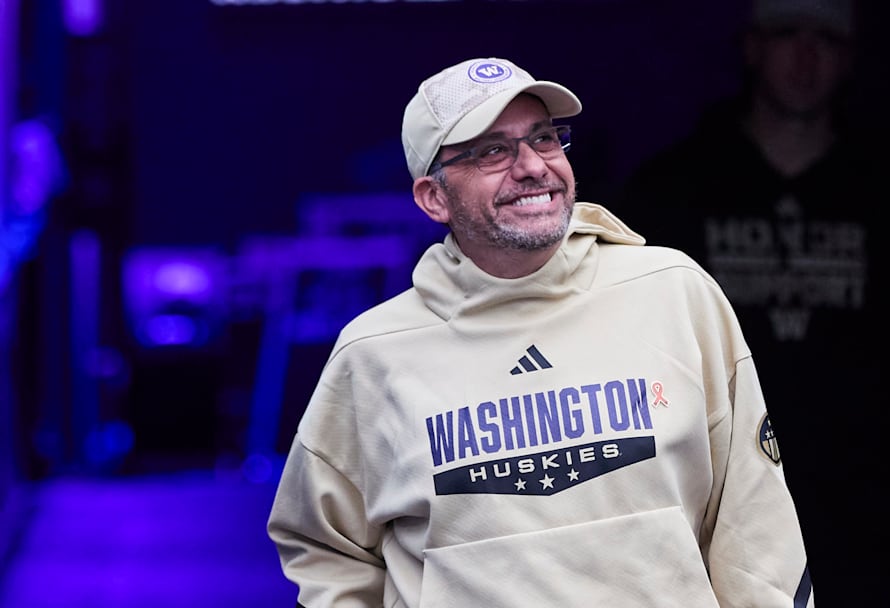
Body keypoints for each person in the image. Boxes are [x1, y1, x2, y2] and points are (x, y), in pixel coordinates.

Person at [267, 56, 815, 607]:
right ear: (434, 197)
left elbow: (754, 514)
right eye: (492, 151)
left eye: (545, 139)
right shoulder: (373, 354)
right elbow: (325, 550)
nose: (532, 167)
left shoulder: (672, 290)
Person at [614, 1, 890, 607]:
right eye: (788, 34)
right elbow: (623, 353)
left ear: (849, 59)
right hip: (706, 513)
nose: (806, 56)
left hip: (861, 520)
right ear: (753, 47)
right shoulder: (673, 190)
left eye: (827, 38)